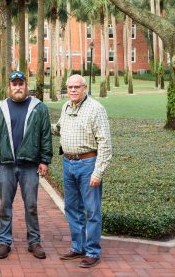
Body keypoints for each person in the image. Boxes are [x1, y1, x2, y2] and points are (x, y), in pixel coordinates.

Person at [0, 71, 53, 260]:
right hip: (6, 165)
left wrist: (44, 160)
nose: (18, 87)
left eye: (20, 84)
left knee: (31, 205)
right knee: (5, 205)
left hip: (29, 165)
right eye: (14, 84)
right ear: (9, 86)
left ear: (26, 85)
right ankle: (4, 241)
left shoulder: (39, 108)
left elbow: (45, 136)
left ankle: (34, 241)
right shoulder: (1, 108)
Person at [51, 74, 112, 268]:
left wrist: (98, 172)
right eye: (70, 87)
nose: (73, 90)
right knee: (72, 208)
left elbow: (105, 144)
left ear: (84, 88)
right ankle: (78, 247)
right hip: (68, 163)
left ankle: (93, 251)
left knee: (92, 210)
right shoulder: (66, 106)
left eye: (77, 87)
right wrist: (40, 122)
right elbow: (59, 129)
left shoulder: (96, 109)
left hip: (88, 164)